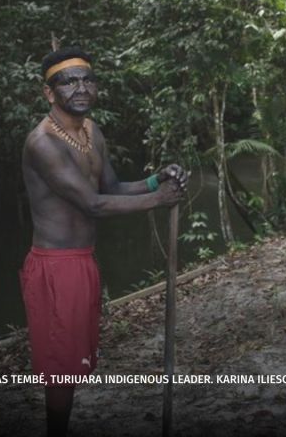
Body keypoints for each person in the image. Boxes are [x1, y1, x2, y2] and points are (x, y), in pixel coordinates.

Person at [20, 45, 188, 436]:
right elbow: (93, 204)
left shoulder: (92, 132)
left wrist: (154, 181)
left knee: (75, 363)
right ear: (49, 93)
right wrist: (157, 200)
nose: (81, 88)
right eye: (68, 81)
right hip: (55, 267)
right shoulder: (43, 143)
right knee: (61, 371)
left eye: (87, 79)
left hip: (83, 261)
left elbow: (111, 187)